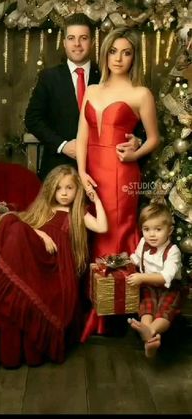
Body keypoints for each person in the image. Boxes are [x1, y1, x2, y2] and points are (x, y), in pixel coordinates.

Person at [0, 165, 108, 365]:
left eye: (69, 188)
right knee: (10, 221)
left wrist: (95, 199)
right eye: (59, 188)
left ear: (77, 190)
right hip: (35, 256)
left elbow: (102, 226)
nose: (64, 193)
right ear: (52, 190)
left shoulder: (78, 213)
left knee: (16, 228)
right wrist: (41, 234)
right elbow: (24, 223)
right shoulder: (46, 208)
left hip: (55, 264)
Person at [76, 26, 160, 259]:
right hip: (91, 171)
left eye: (126, 52)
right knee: (93, 227)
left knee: (116, 227)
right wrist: (81, 173)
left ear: (134, 57)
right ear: (105, 54)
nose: (119, 58)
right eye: (113, 51)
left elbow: (154, 139)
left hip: (121, 171)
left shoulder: (141, 94)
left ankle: (120, 287)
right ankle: (96, 289)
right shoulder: (91, 90)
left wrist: (134, 155)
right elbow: (82, 136)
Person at [24, 14, 140, 180]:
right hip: (58, 170)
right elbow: (32, 119)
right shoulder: (49, 77)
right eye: (71, 38)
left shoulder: (106, 76)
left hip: (102, 170)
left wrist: (137, 141)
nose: (77, 44)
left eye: (83, 38)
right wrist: (63, 145)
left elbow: (133, 118)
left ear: (92, 42)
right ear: (64, 43)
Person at [127, 203, 182, 358]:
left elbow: (165, 277)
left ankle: (150, 331)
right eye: (146, 229)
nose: (152, 234)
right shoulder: (144, 243)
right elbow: (136, 259)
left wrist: (141, 277)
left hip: (169, 287)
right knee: (146, 306)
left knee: (164, 311)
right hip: (149, 286)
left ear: (169, 231)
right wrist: (126, 262)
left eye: (158, 229)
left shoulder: (173, 251)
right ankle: (149, 340)